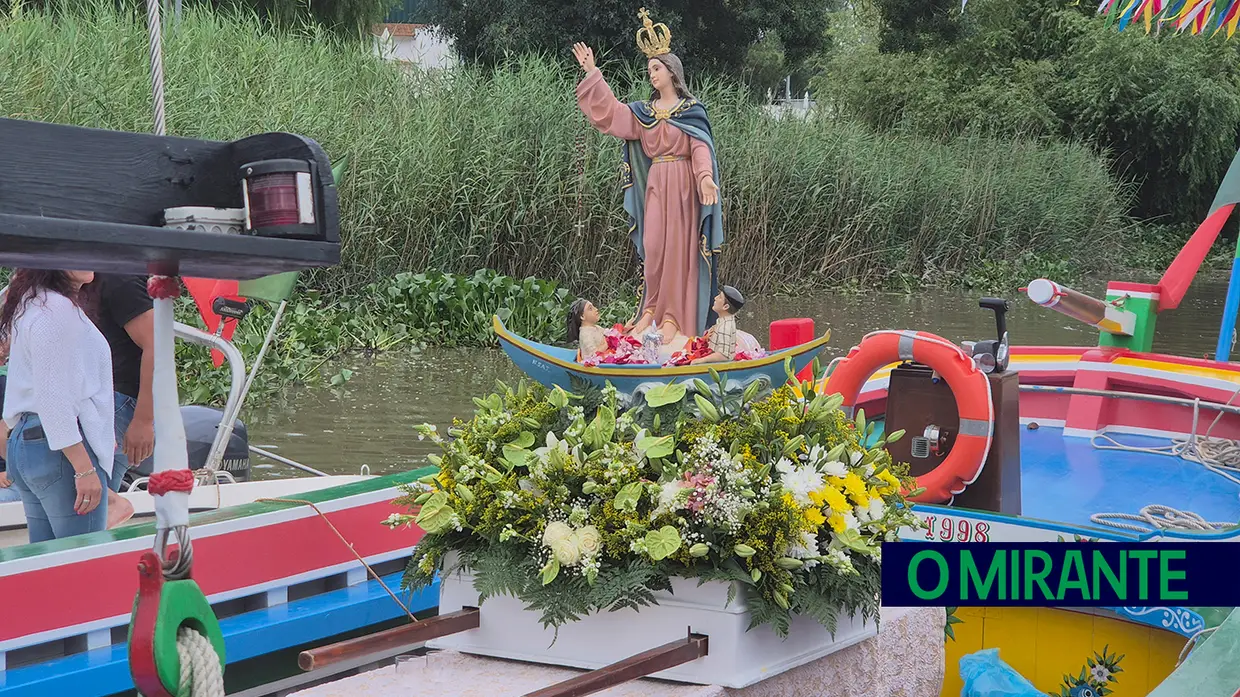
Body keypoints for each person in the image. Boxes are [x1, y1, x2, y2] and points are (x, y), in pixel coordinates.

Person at [572, 8, 725, 349]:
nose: (651, 74)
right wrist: (593, 72)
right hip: (656, 184)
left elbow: (701, 146)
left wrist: (704, 178)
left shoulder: (691, 111)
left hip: (684, 186)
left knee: (679, 250)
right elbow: (612, 114)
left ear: (672, 71)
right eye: (649, 70)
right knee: (654, 246)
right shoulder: (644, 112)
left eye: (656, 68)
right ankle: (651, 309)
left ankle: (674, 318)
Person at [0, 269, 114, 542]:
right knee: (81, 563)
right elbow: (53, 397)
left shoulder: (33, 303)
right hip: (60, 446)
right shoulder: (56, 309)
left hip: (29, 442)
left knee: (47, 561)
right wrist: (84, 468)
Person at [86, 273, 156, 529]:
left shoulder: (118, 279)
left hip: (118, 403)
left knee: (82, 492)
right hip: (98, 402)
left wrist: (144, 419)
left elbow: (157, 344)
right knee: (92, 504)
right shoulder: (82, 277)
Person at [567, 299, 607, 363]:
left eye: (593, 306)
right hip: (596, 362)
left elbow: (608, 333)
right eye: (590, 308)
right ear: (582, 316)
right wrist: (607, 343)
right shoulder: (585, 334)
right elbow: (592, 354)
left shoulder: (596, 327)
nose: (596, 309)